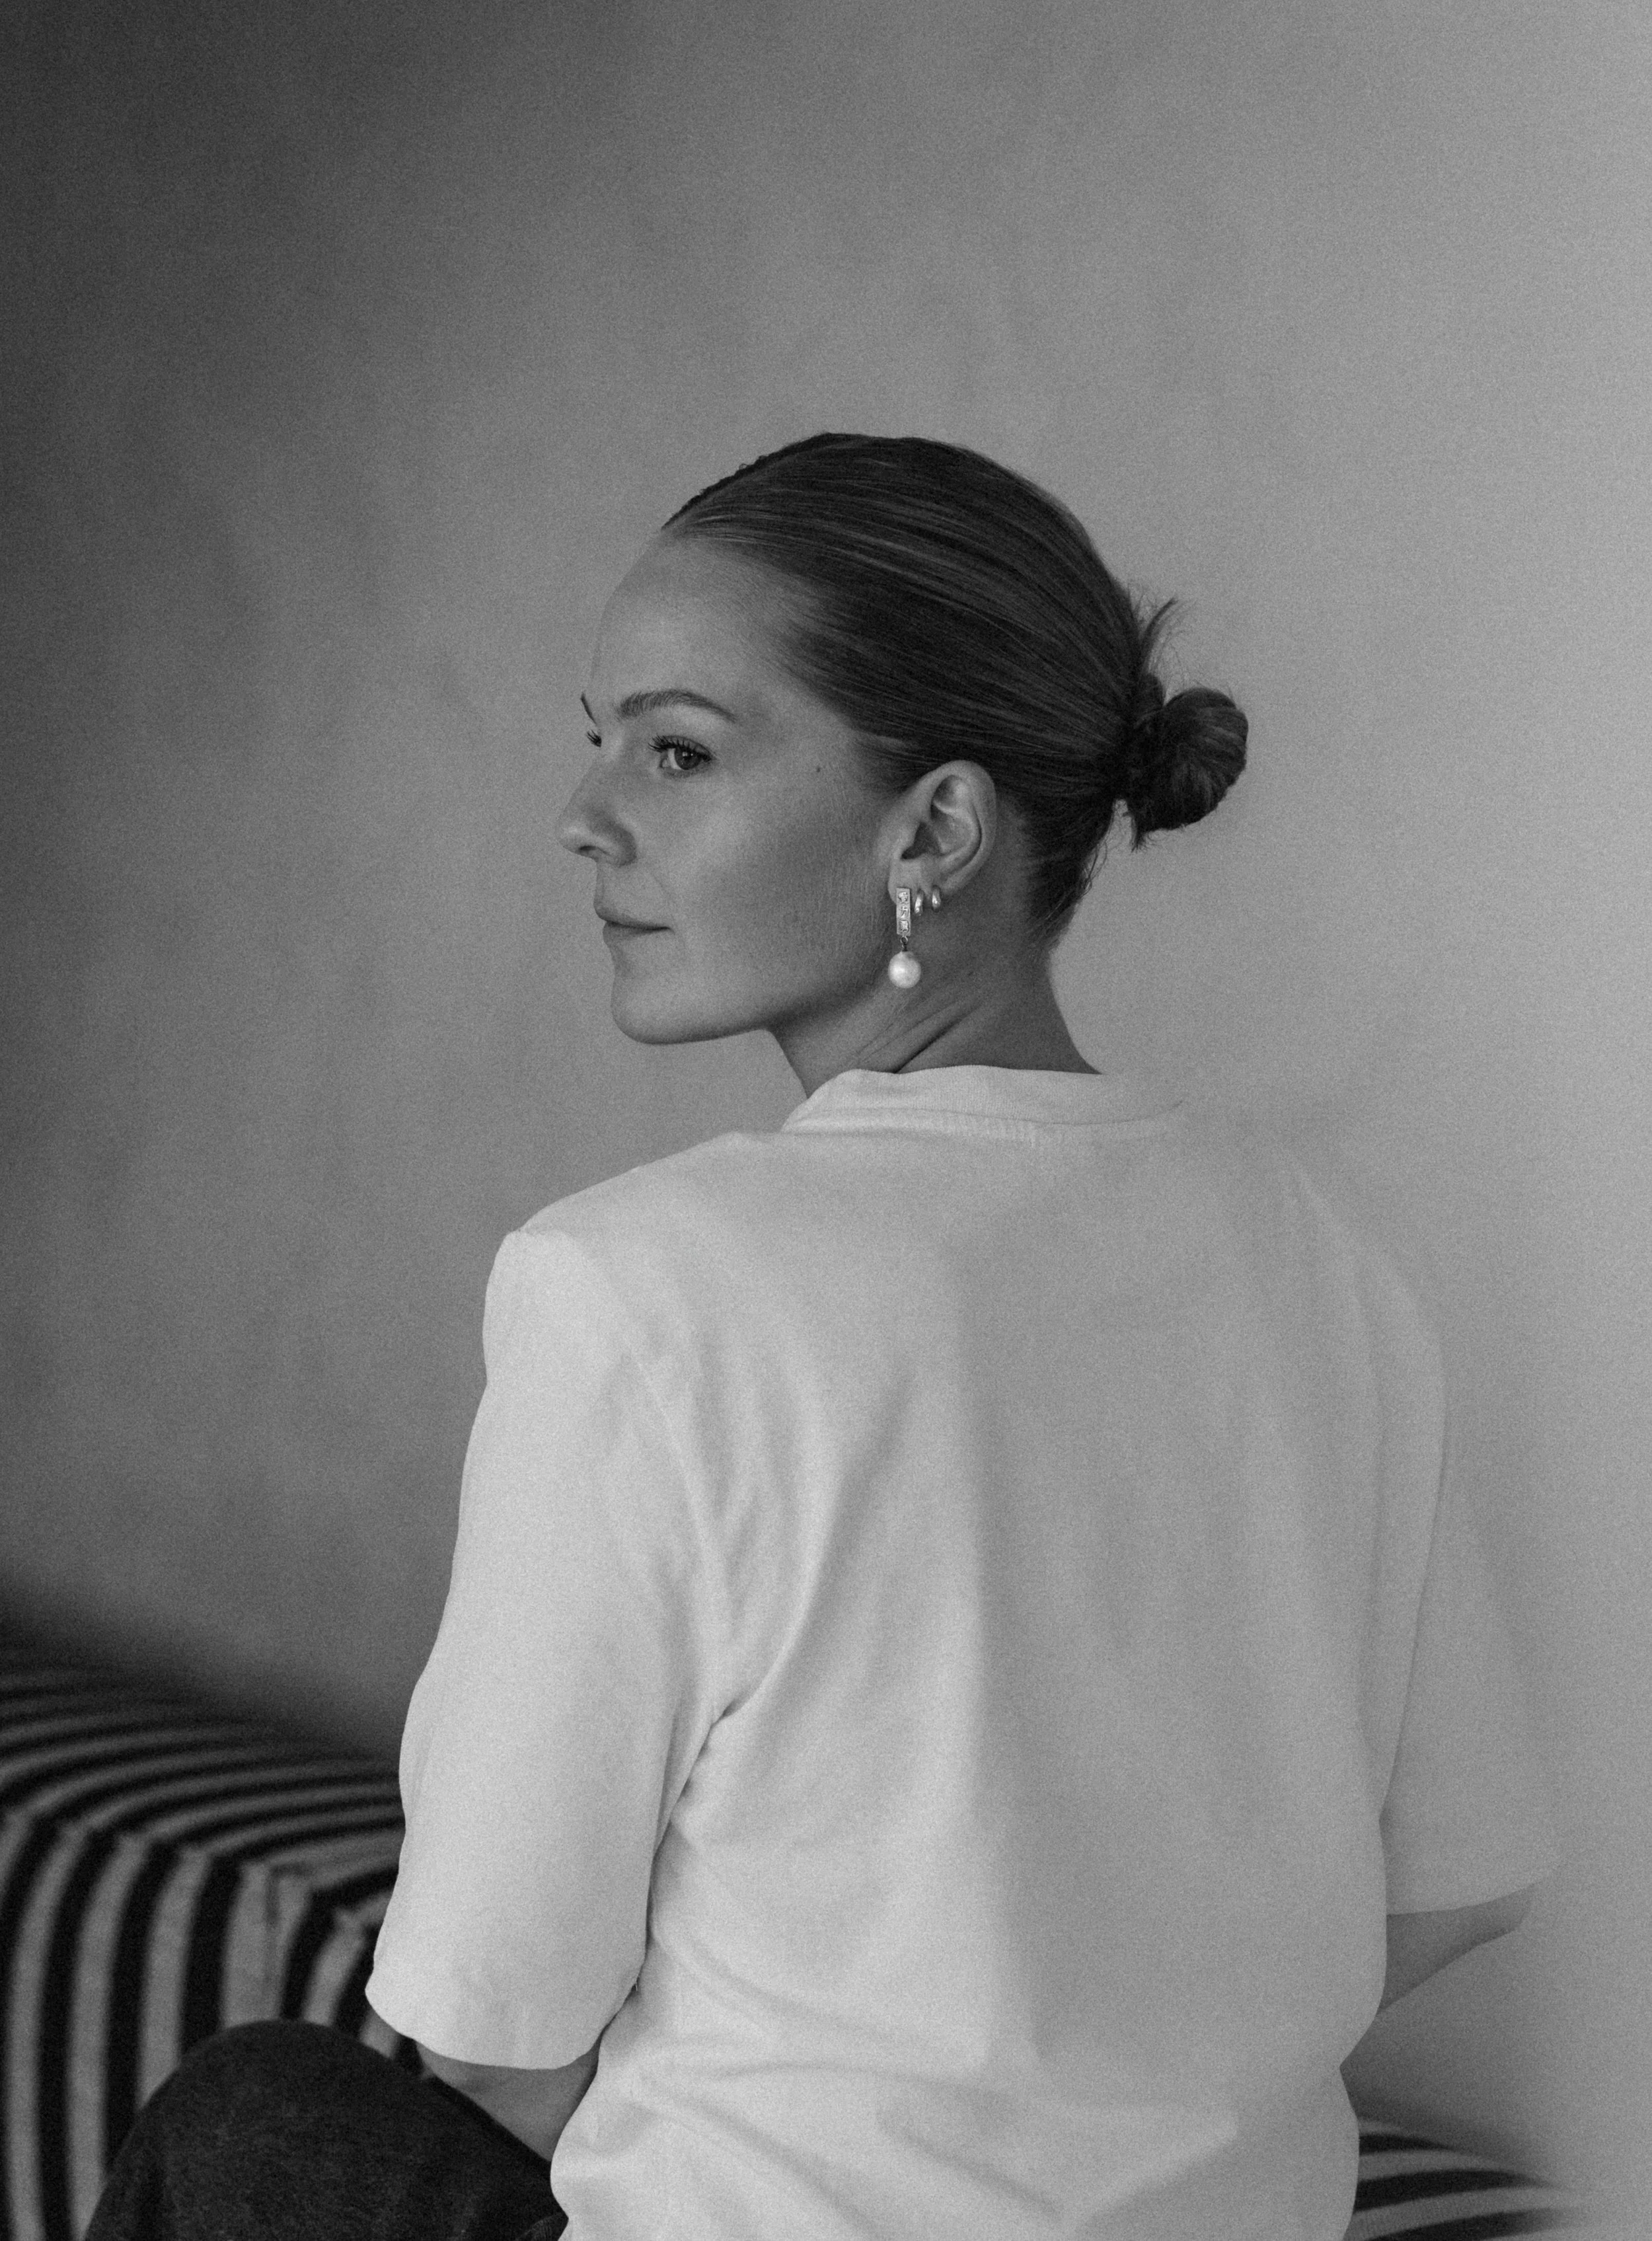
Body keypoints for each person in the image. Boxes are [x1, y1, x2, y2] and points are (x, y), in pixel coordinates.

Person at [88, 434, 1561, 2240]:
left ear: (931, 829)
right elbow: (1460, 1878)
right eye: (598, 735)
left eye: (678, 748)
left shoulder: (638, 1290)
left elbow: (489, 2026)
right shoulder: (1320, 1258)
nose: (588, 812)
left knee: (257, 2120)